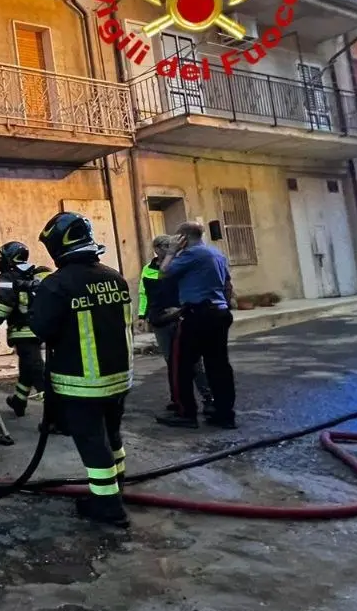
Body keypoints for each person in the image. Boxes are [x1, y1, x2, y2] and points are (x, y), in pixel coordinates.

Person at [29, 212, 133, 528]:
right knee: (112, 435)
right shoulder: (114, 276)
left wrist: (38, 297)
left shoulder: (57, 285)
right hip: (118, 377)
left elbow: (41, 329)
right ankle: (117, 489)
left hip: (82, 383)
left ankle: (108, 507)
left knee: (92, 442)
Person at [153, 221, 238, 430]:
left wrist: (171, 252)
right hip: (219, 313)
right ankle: (224, 413)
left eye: (176, 237)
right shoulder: (217, 254)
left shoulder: (191, 255)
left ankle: (185, 413)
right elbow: (227, 284)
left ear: (183, 237)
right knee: (218, 365)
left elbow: (163, 273)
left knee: (180, 364)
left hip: (197, 315)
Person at [138, 235, 212, 415]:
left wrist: (181, 310)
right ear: (156, 249)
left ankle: (208, 398)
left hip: (180, 318)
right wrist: (142, 315)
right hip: (159, 321)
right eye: (163, 246)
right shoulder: (147, 270)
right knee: (171, 362)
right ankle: (177, 399)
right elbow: (143, 294)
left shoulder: (180, 265)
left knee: (194, 362)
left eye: (169, 246)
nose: (166, 249)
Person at [0, 241, 52, 418]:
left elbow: (3, 307)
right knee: (27, 367)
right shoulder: (35, 273)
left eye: (1, 257)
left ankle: (54, 413)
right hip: (39, 330)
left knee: (35, 367)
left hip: (22, 332)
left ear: (10, 258)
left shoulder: (7, 277)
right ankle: (19, 401)